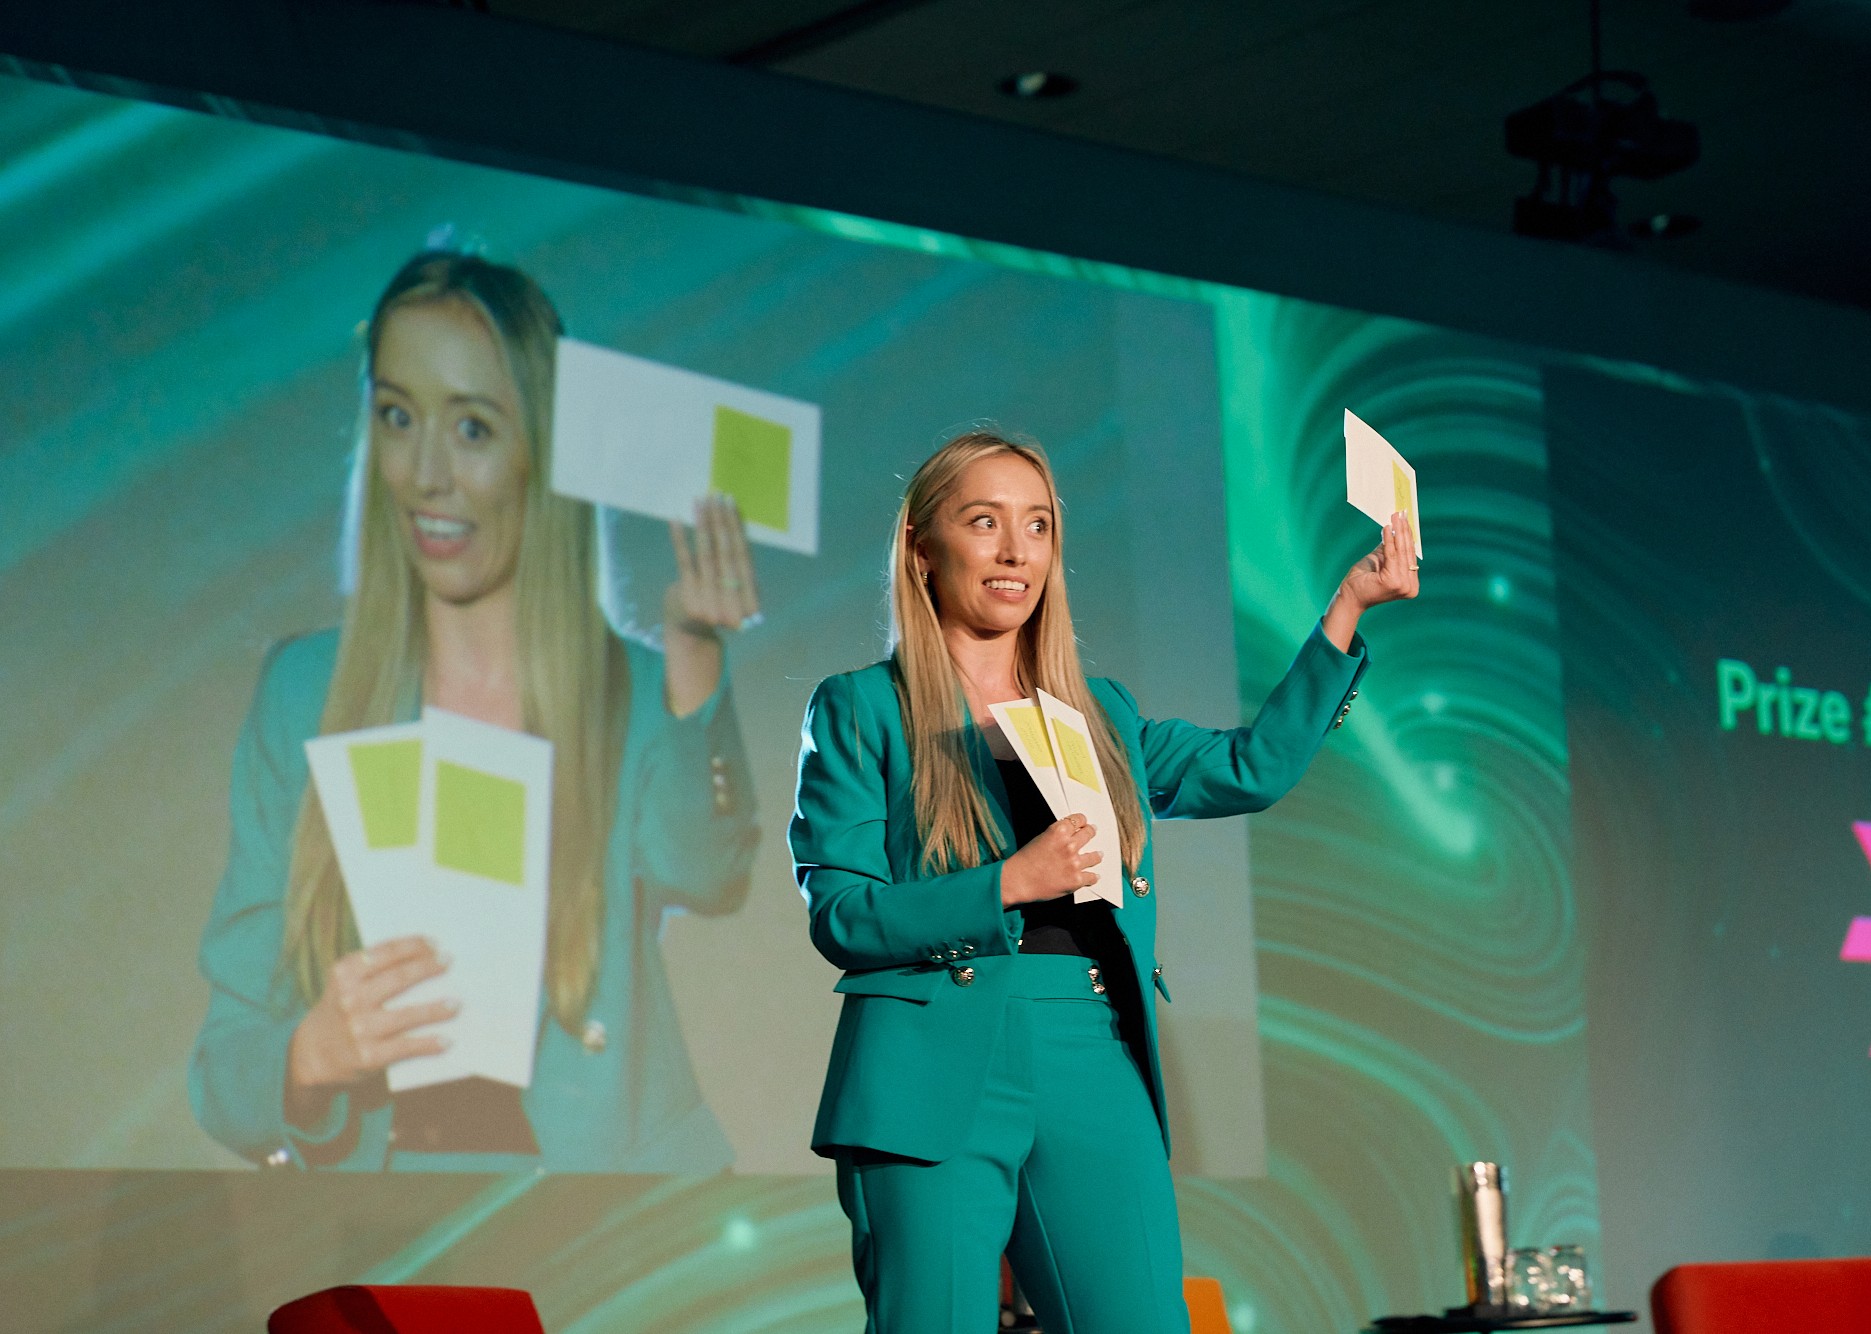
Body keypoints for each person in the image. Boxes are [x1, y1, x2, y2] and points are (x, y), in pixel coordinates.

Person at [788, 430, 1420, 1332]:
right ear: (923, 549)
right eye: (984, 522)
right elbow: (843, 915)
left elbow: (1252, 768)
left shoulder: (1101, 713)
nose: (1016, 551)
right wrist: (1008, 882)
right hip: (930, 1062)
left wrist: (1348, 606)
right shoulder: (861, 707)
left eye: (1038, 526)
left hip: (1091, 1046)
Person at [190, 251, 761, 1172]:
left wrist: (694, 651)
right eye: (397, 416)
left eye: (473, 429)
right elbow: (224, 1068)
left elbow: (709, 875)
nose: (426, 474)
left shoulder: (633, 692)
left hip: (614, 1222)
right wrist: (311, 1057)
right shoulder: (302, 696)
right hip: (391, 1230)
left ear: (543, 448)